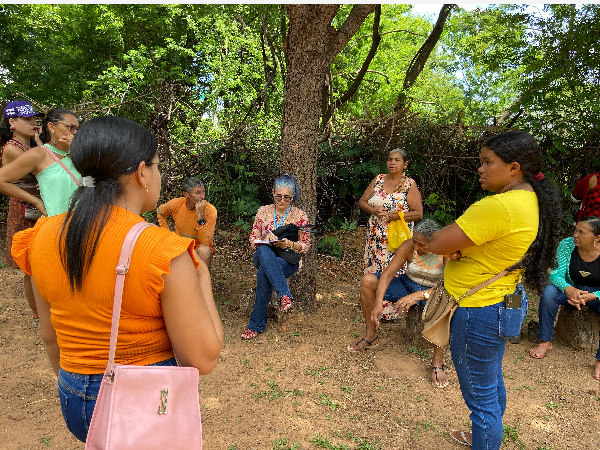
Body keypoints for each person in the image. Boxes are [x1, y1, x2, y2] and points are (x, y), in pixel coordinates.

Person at [11, 116, 223, 443]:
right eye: (157, 166)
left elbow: (50, 336)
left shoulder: (42, 236)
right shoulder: (162, 249)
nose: (159, 175)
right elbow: (204, 357)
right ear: (142, 173)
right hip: (141, 402)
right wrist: (202, 273)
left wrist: (85, 390)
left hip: (73, 394)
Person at [428, 131, 561, 449]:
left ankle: (484, 437)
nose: (481, 169)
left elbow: (435, 243)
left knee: (481, 400)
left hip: (479, 309)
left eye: (488, 162)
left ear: (514, 167)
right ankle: (482, 436)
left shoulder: (499, 206)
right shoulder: (531, 198)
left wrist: (452, 246)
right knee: (489, 377)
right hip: (506, 299)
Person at [352, 219, 450, 388]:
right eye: (415, 242)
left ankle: (437, 361)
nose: (416, 247)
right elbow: (388, 274)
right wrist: (378, 303)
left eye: (422, 244)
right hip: (407, 284)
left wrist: (420, 295)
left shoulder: (446, 251)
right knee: (368, 281)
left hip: (436, 291)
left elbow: (450, 285)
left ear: (434, 242)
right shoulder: (408, 246)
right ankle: (371, 335)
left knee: (447, 301)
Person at [530, 216, 600, 378]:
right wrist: (568, 288)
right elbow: (555, 275)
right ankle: (545, 341)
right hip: (571, 288)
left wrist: (593, 295)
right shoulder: (567, 244)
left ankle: (599, 361)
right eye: (576, 229)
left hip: (596, 293)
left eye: (582, 232)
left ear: (597, 238)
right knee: (549, 292)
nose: (575, 234)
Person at [242, 174, 310, 340]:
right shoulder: (263, 211)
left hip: (287, 260)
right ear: (273, 193)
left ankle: (256, 325)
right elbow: (253, 238)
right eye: (278, 196)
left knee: (264, 273)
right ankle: (284, 294)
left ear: (292, 197)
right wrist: (265, 240)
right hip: (262, 255)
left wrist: (288, 244)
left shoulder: (299, 216)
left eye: (286, 197)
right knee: (264, 251)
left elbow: (305, 245)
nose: (282, 200)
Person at [1, 101, 45, 323]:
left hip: (38, 206)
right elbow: (40, 170)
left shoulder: (32, 147)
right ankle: (38, 315)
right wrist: (35, 202)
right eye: (26, 119)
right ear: (12, 122)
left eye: (34, 119)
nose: (33, 123)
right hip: (24, 209)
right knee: (31, 265)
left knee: (42, 262)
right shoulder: (11, 148)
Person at [0, 108, 80, 217]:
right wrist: (36, 201)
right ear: (51, 126)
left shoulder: (80, 153)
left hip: (84, 223)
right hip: (54, 223)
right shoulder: (38, 154)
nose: (75, 132)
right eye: (69, 127)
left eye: (77, 129)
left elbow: (92, 182)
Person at [359, 148, 423, 275]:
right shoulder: (378, 179)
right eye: (390, 159)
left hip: (397, 240)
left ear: (405, 164)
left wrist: (393, 216)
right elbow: (362, 202)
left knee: (394, 276)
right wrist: (374, 211)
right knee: (372, 275)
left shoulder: (409, 184)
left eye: (397, 160)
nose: (392, 162)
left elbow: (418, 213)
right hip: (375, 239)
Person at [157, 177, 217, 269]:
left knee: (205, 251)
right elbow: (160, 212)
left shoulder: (210, 210)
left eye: (203, 192)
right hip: (180, 245)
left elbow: (206, 243)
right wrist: (166, 234)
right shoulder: (177, 204)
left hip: (198, 247)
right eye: (197, 193)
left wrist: (201, 217)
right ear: (186, 194)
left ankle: (203, 281)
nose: (202, 197)